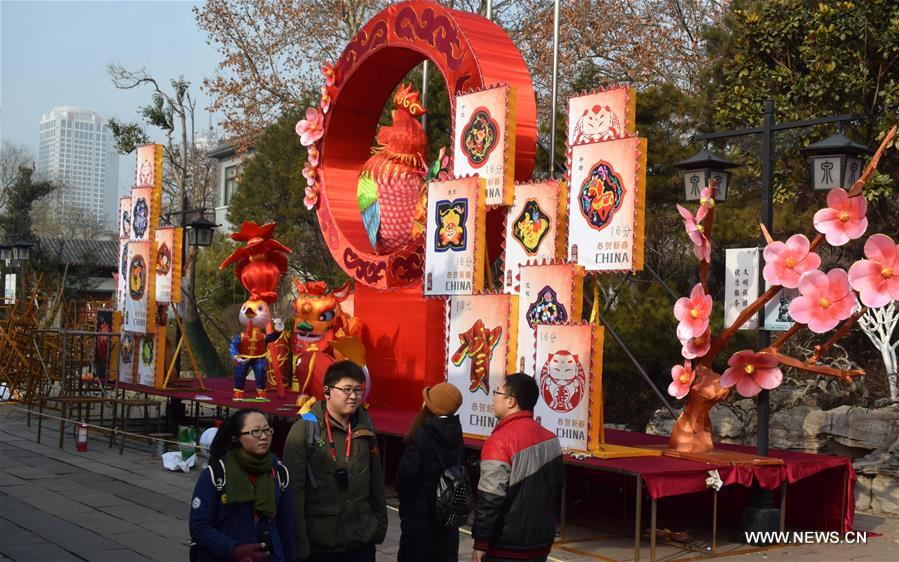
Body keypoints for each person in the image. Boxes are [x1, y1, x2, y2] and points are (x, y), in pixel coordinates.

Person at [284, 360, 388, 562]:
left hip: (360, 539)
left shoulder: (364, 425)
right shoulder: (304, 430)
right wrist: (300, 544)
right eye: (347, 389)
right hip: (321, 542)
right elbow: (294, 490)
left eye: (358, 390)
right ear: (327, 391)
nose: (353, 396)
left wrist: (378, 527)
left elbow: (376, 480)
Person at [471, 373, 563, 562]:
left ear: (511, 401)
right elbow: (556, 487)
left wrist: (480, 543)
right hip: (541, 542)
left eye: (497, 392)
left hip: (507, 545)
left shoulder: (499, 441)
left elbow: (490, 498)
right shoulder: (552, 439)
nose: (493, 397)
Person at [189, 408, 296, 562]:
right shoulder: (217, 474)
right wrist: (234, 550)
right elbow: (199, 527)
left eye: (267, 430)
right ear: (236, 438)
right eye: (256, 432)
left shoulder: (280, 473)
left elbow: (286, 528)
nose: (264, 436)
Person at [395, 382, 465, 562]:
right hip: (448, 516)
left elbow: (404, 478)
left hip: (420, 518)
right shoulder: (457, 433)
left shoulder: (421, 435)